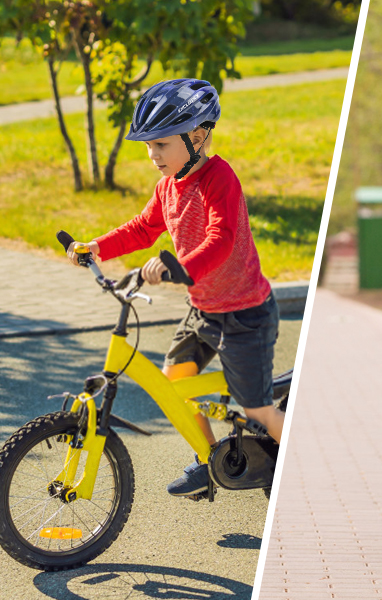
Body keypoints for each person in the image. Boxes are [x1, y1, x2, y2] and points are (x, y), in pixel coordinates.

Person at [66, 78, 284, 497]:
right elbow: (142, 229)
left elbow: (220, 239)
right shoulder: (168, 186)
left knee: (255, 405)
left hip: (244, 312)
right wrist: (97, 247)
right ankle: (211, 458)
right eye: (148, 147)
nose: (153, 156)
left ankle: (296, 455)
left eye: (161, 145)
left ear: (198, 137)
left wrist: (178, 269)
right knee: (174, 379)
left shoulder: (220, 179)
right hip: (203, 309)